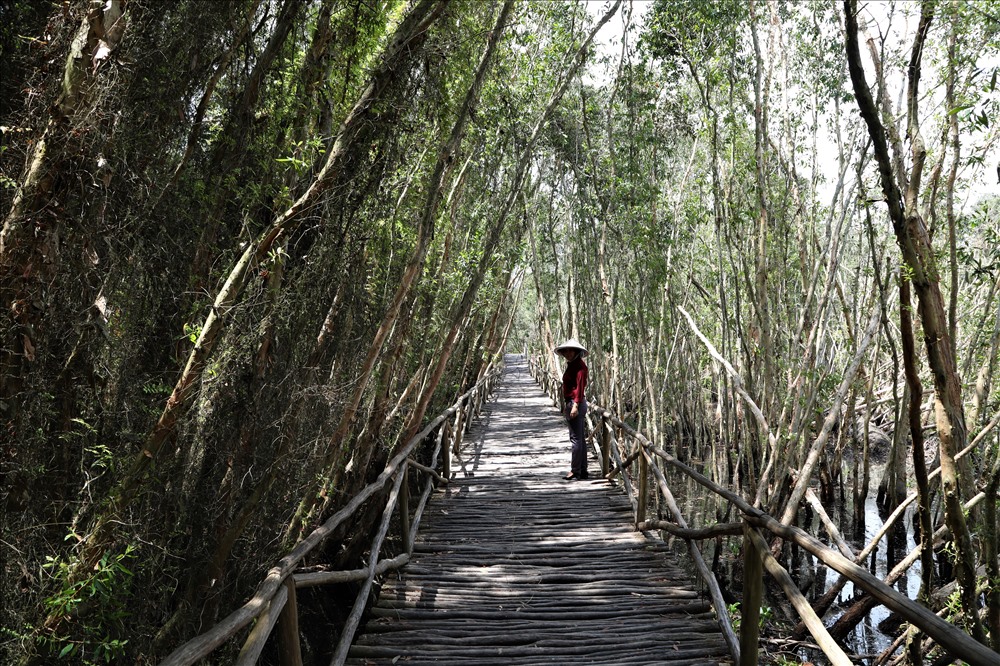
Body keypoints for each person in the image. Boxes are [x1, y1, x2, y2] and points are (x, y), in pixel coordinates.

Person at [555, 338, 589, 480]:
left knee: (576, 439)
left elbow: (580, 390)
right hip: (573, 403)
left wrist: (574, 406)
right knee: (579, 438)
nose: (567, 353)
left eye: (570, 350)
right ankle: (582, 470)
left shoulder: (580, 368)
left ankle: (575, 470)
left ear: (576, 351)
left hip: (576, 404)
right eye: (565, 351)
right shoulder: (572, 365)